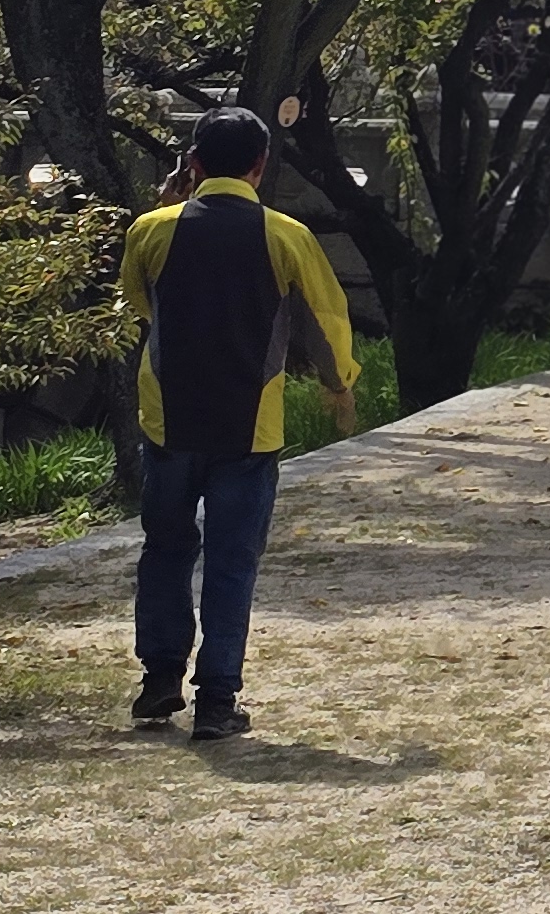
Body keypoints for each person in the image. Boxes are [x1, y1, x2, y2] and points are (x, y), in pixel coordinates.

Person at [116, 106, 357, 743]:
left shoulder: (152, 229)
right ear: (261, 165)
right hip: (250, 428)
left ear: (193, 163)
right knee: (232, 560)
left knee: (165, 548)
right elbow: (325, 319)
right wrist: (339, 383)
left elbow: (141, 301)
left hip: (167, 420)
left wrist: (170, 209)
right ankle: (217, 700)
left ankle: (159, 676)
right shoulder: (286, 235)